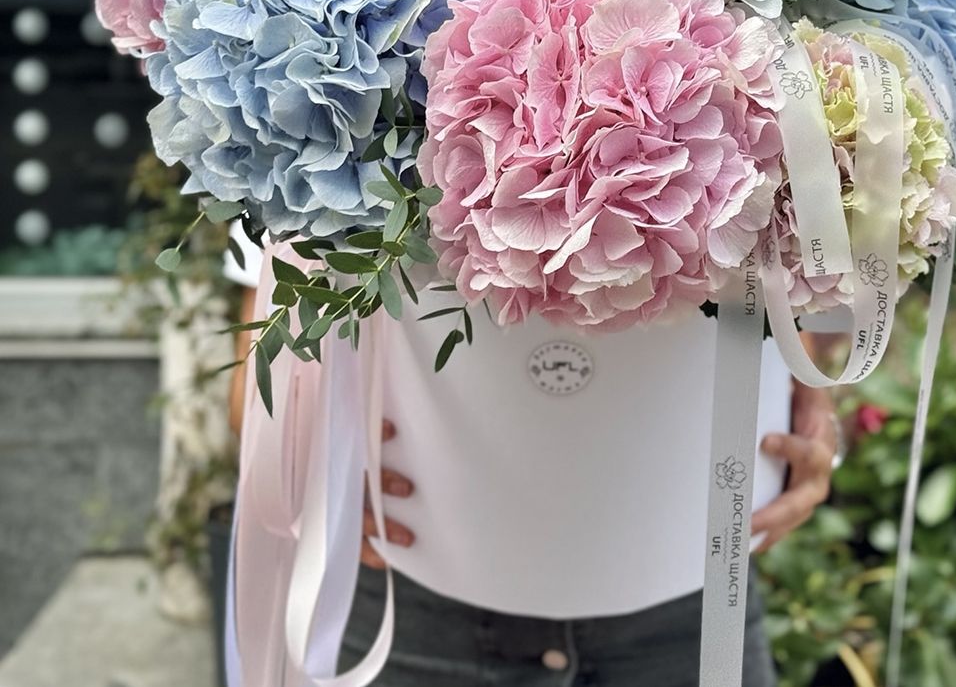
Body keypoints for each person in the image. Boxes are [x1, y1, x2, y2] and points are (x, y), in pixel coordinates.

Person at [227, 232, 837, 687]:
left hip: (691, 601)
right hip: (412, 599)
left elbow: (780, 266)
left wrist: (811, 399)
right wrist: (296, 458)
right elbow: (271, 318)